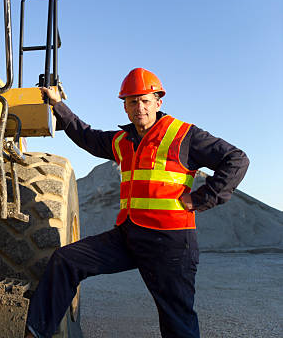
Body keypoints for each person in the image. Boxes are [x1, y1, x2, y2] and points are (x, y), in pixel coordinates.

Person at [25, 68, 249, 338]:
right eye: (133, 101)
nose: (139, 107)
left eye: (145, 100)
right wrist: (58, 105)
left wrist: (201, 199)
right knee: (66, 260)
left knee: (177, 322)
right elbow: (86, 136)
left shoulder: (183, 135)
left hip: (171, 243)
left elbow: (236, 159)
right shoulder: (122, 140)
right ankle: (36, 331)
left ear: (158, 102)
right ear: (125, 107)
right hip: (129, 235)